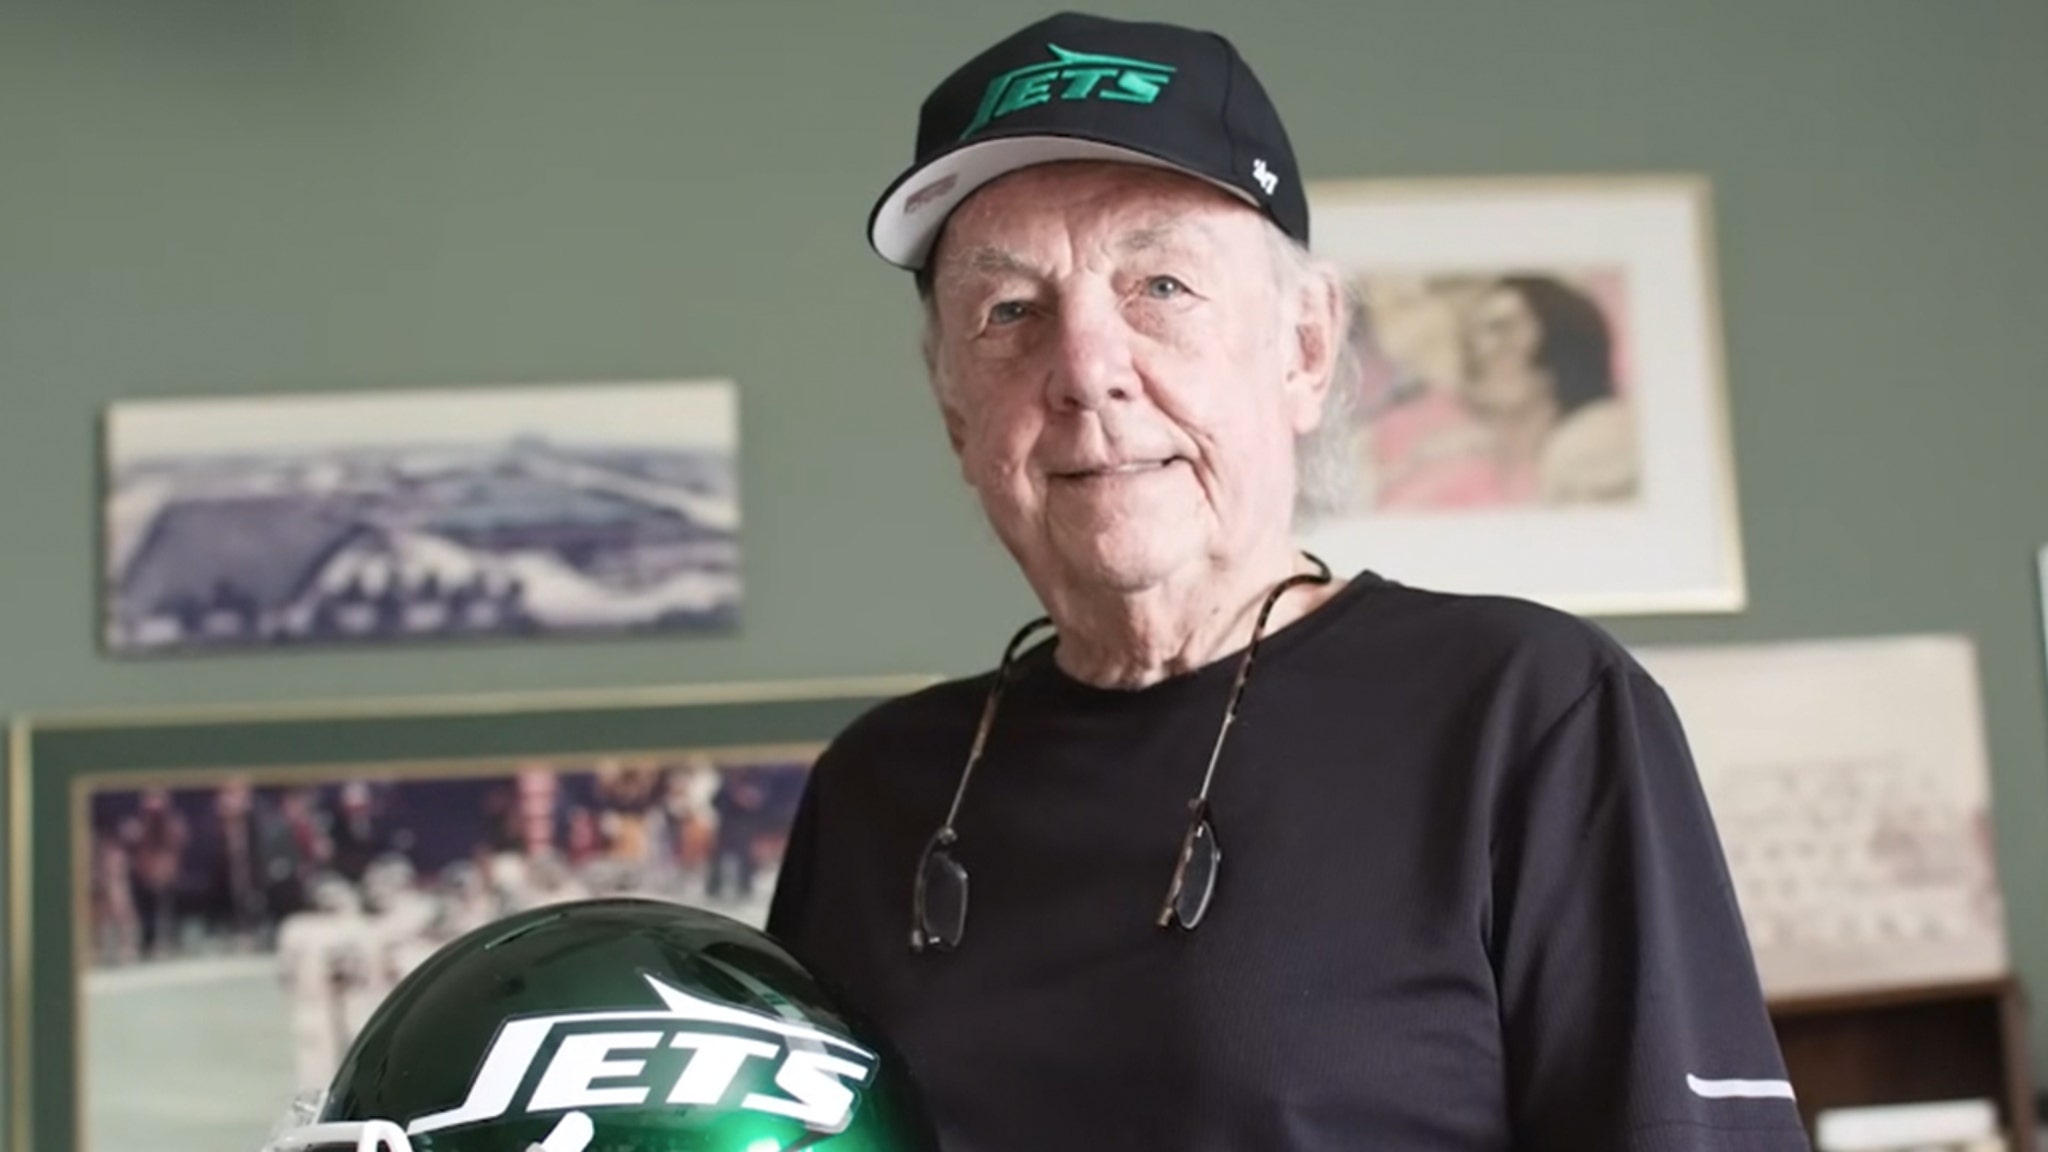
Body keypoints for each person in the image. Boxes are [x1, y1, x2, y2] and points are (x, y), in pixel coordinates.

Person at [766, 11, 1810, 1152]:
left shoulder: (1527, 712)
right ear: (954, 408)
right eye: (1008, 310)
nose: (1086, 370)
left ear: (1305, 347)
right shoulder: (875, 793)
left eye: (1160, 285)